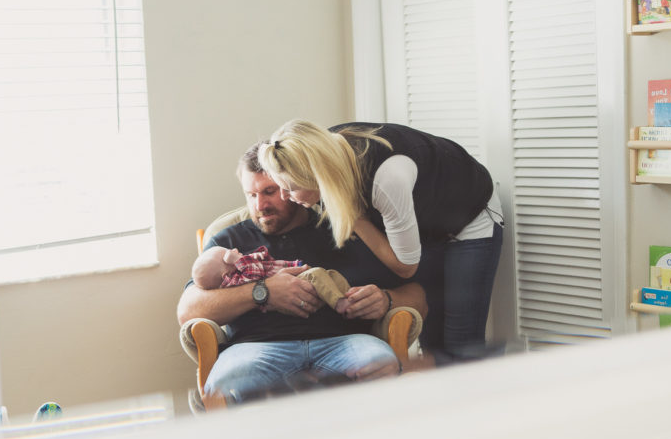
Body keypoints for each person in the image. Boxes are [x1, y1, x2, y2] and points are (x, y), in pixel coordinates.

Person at [177, 143, 427, 406]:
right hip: (256, 349)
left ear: (291, 185)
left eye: (270, 192)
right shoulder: (228, 241)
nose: (260, 205)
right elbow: (188, 310)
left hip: (344, 342)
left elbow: (417, 295)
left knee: (383, 366)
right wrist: (262, 293)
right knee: (227, 384)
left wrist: (385, 300)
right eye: (251, 195)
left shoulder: (343, 229)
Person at [258, 120, 503, 365]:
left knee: (462, 341)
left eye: (291, 189)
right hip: (425, 225)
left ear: (319, 177)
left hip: (470, 217)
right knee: (432, 343)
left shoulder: (387, 178)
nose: (285, 197)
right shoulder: (323, 154)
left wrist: (353, 214)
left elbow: (406, 266)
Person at [192, 244, 353, 314]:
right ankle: (340, 305)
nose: (234, 250)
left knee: (330, 275)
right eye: (227, 254)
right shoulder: (235, 281)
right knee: (316, 273)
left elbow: (267, 263)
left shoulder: (243, 267)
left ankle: (348, 299)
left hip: (296, 282)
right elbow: (255, 276)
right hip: (285, 300)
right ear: (225, 276)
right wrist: (236, 260)